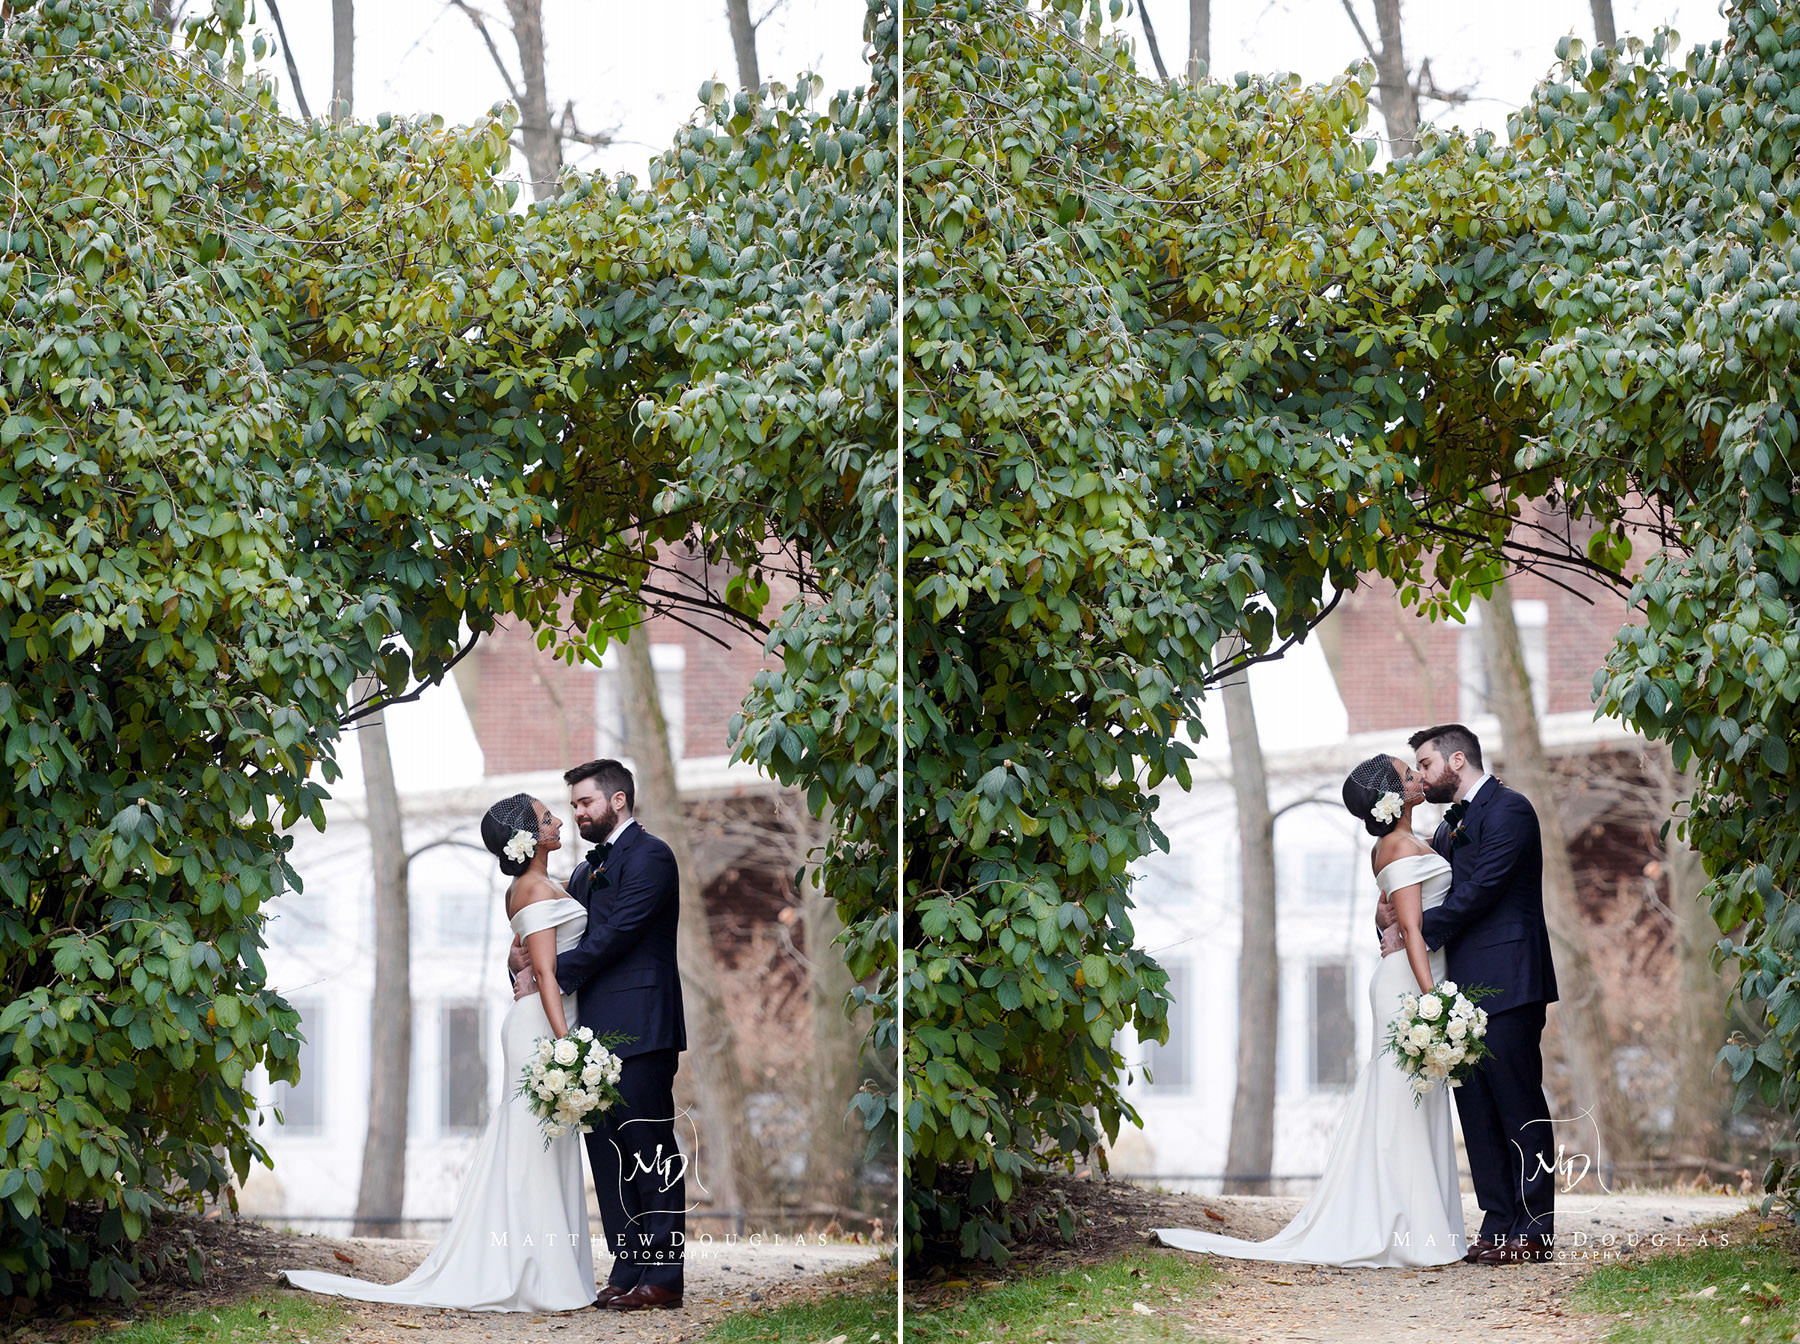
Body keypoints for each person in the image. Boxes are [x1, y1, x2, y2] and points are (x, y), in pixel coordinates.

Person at [279, 794, 598, 1312]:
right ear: (527, 837)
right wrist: (568, 1047)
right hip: (545, 1028)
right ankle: (537, 1272)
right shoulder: (534, 887)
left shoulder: (531, 886)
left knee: (542, 1145)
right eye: (546, 818)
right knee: (535, 1148)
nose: (558, 820)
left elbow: (519, 956)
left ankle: (549, 1268)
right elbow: (544, 973)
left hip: (544, 1019)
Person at [1152, 754, 1466, 1268]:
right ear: (1394, 795)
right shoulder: (1397, 846)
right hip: (1410, 986)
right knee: (1403, 1102)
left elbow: (1388, 912)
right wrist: (1435, 999)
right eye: (1409, 775)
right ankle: (1409, 1227)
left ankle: (1426, 1225)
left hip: (1415, 978)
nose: (1417, 777)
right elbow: (1411, 929)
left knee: (1414, 1099)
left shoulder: (1403, 844)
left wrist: (1384, 922)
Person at [1377, 724, 1558, 1265]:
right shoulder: (1448, 828)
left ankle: (1534, 1229)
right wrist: (1393, 916)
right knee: (1476, 1111)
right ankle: (1499, 1223)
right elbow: (1421, 881)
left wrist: (1415, 930)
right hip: (1458, 990)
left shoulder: (1512, 811)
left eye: (1425, 765)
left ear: (1458, 760)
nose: (1421, 776)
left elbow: (1479, 893)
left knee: (1518, 1105)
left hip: (1510, 981)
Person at [510, 758, 687, 1311]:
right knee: (608, 1158)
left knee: (649, 1152)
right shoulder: (585, 873)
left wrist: (551, 977)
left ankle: (665, 1278)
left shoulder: (651, 857)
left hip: (643, 1029)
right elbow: (553, 936)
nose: (577, 813)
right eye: (572, 806)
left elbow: (616, 935)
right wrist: (528, 968)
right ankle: (627, 1269)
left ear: (617, 801)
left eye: (584, 802)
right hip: (588, 1039)